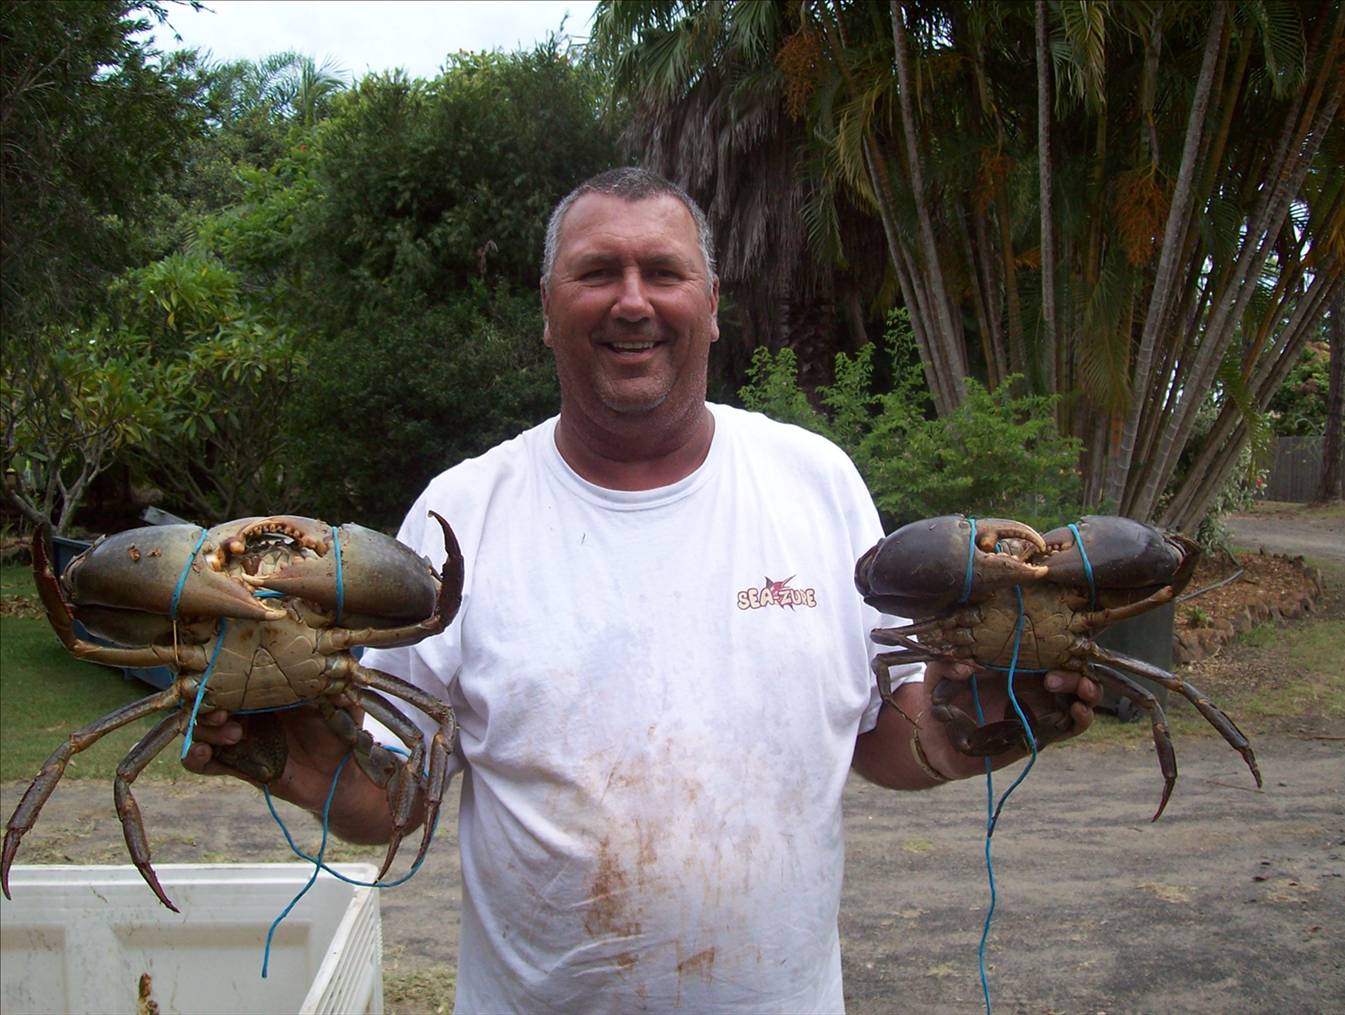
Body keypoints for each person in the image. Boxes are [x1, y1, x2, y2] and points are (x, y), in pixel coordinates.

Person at [185, 167, 1101, 1012]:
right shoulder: (460, 514)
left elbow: (886, 737)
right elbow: (396, 795)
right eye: (596, 273)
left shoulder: (815, 484)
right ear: (548, 311)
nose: (632, 300)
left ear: (710, 307)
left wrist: (978, 724)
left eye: (663, 271)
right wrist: (295, 761)